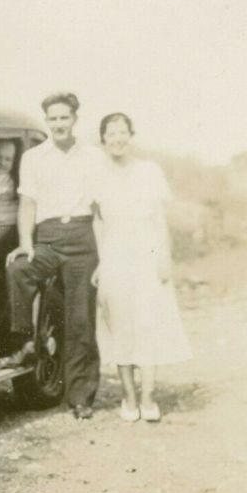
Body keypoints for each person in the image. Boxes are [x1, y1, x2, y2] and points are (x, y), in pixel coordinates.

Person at [1, 91, 104, 420]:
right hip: (47, 238)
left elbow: (102, 208)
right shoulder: (33, 157)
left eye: (64, 117)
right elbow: (27, 203)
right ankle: (26, 344)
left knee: (80, 322)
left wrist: (105, 254)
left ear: (75, 119)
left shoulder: (92, 156)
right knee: (19, 269)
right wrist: (25, 243)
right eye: (53, 118)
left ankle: (81, 397)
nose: (58, 124)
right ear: (46, 121)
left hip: (82, 238)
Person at [93, 113, 191, 422]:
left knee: (148, 324)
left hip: (147, 256)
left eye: (123, 132)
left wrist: (164, 258)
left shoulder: (149, 171)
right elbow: (97, 220)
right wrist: (99, 261)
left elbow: (160, 220)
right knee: (120, 326)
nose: (118, 138)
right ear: (103, 138)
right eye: (111, 133)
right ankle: (128, 397)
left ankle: (148, 397)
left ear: (131, 136)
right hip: (114, 257)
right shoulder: (96, 174)